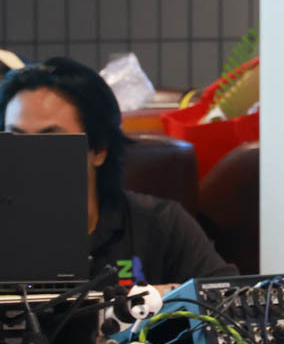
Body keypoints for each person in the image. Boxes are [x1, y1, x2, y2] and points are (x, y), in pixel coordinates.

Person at [0, 57, 236, 287]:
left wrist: (161, 299)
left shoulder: (161, 225)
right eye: (15, 138)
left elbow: (226, 298)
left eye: (51, 140)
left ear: (99, 149)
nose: (29, 156)